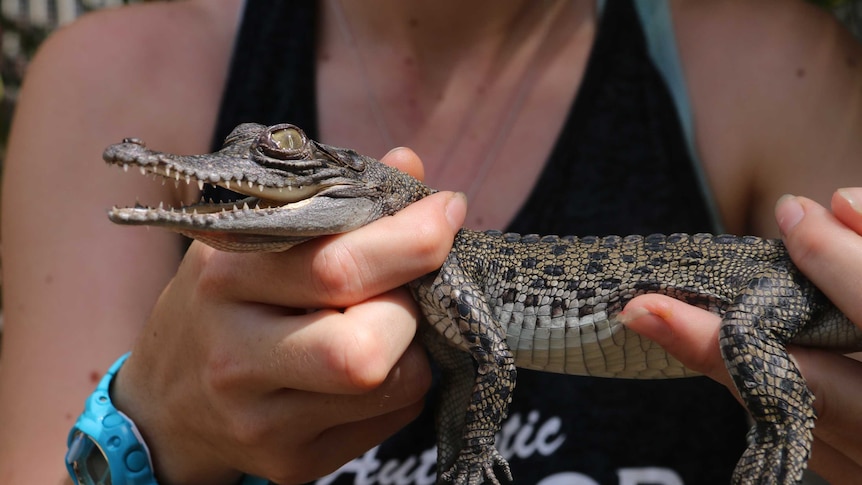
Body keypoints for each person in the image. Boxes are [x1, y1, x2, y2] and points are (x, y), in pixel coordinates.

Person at [1, 0, 861, 483]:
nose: (241, 167)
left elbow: (486, 356)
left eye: (282, 150)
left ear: (362, 181)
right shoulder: (108, 76)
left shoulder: (771, 64)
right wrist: (147, 429)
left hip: (770, 292)